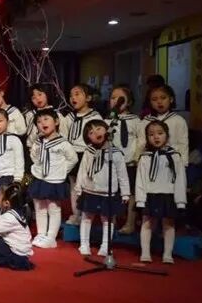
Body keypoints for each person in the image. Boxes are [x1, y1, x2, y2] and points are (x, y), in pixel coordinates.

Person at [73, 119, 130, 257]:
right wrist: (79, 187)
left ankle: (105, 246)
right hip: (90, 190)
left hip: (107, 192)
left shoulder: (115, 153)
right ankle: (84, 244)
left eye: (98, 129)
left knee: (107, 220)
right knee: (87, 218)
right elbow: (82, 170)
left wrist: (125, 192)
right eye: (91, 132)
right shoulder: (89, 152)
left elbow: (122, 174)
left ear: (106, 130)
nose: (96, 133)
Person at [136, 121, 187, 264]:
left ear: (167, 135)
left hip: (168, 195)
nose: (156, 137)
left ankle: (167, 254)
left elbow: (180, 179)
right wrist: (140, 199)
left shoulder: (175, 156)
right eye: (151, 134)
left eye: (160, 133)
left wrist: (180, 201)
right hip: (150, 194)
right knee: (147, 223)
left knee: (168, 224)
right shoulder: (145, 157)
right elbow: (140, 179)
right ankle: (145, 253)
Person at [28, 109, 78, 248]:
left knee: (53, 208)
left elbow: (73, 159)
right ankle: (41, 234)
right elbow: (34, 156)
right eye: (38, 121)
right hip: (39, 178)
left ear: (56, 121)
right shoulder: (38, 142)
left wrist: (61, 171)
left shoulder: (63, 143)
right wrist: (37, 167)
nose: (42, 123)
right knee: (39, 207)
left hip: (54, 180)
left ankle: (51, 237)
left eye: (46, 119)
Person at [60, 83, 102, 225]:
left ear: (88, 98)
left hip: (88, 154)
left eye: (77, 94)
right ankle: (76, 214)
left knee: (87, 185)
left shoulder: (95, 116)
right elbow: (63, 136)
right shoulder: (69, 117)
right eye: (71, 95)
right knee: (74, 185)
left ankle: (88, 215)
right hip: (72, 154)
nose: (73, 98)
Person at [109, 85, 143, 235]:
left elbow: (141, 140)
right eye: (113, 98)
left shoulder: (136, 120)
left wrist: (137, 157)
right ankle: (112, 221)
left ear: (128, 102)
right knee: (113, 192)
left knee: (131, 194)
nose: (116, 101)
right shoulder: (109, 120)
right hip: (113, 163)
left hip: (130, 163)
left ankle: (130, 223)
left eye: (120, 98)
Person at [137, 85, 189, 167]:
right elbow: (141, 144)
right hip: (149, 163)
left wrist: (184, 164)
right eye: (154, 99)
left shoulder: (179, 121)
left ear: (171, 99)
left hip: (172, 162)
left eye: (163, 98)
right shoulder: (145, 121)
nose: (159, 102)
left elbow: (183, 144)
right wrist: (138, 162)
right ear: (150, 102)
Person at [24, 84, 62, 148]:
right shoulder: (30, 115)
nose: (37, 98)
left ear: (46, 94)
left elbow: (63, 134)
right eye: (33, 98)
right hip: (33, 148)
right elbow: (29, 134)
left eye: (40, 94)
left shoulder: (57, 114)